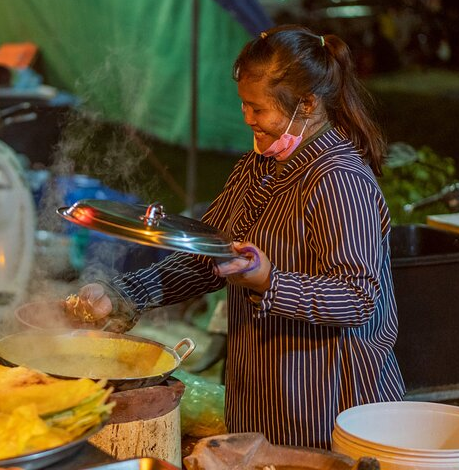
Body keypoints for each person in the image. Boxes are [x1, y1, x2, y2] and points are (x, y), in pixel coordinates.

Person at [64, 24, 406, 449]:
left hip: (328, 407)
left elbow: (358, 297)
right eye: (243, 105)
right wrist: (123, 294)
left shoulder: (339, 180)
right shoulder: (257, 166)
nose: (247, 118)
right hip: (260, 395)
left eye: (258, 108)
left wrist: (270, 281)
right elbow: (205, 259)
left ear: (307, 104)